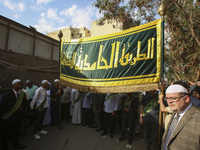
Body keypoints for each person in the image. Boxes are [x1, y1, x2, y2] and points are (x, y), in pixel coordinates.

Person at [162, 84, 200, 150]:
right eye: (167, 98)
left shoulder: (197, 117)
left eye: (173, 98)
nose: (169, 101)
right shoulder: (176, 113)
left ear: (186, 99)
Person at [0, 79, 28, 150]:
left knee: (17, 132)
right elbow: (2, 106)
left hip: (19, 117)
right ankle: (5, 147)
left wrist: (30, 110)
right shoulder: (7, 95)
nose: (20, 85)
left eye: (20, 84)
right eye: (18, 84)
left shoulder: (22, 94)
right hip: (9, 118)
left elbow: (25, 104)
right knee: (6, 133)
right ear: (13, 85)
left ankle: (16, 145)